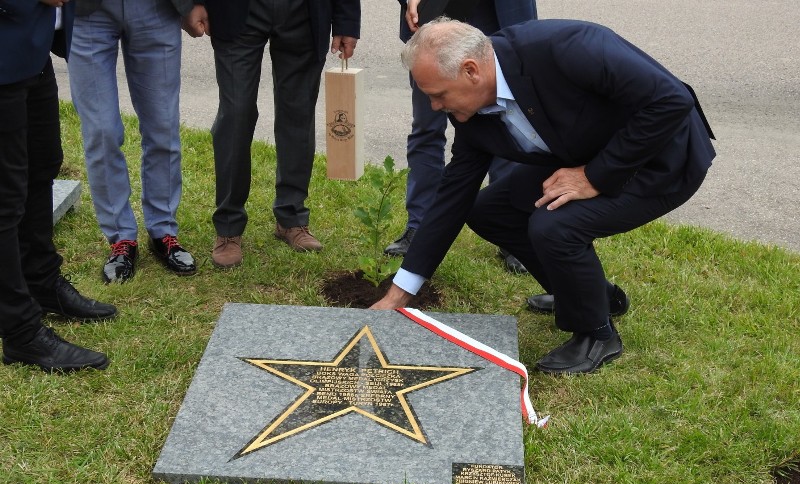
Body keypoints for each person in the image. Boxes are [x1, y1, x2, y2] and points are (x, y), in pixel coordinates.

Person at [371, 18, 716, 375]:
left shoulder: (568, 47)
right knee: (490, 210)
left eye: (438, 94)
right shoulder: (470, 112)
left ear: (471, 70)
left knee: (554, 225)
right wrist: (401, 292)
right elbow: (452, 197)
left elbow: (671, 100)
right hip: (587, 155)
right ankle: (594, 296)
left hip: (661, 160)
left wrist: (595, 176)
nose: (433, 106)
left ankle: (596, 334)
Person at [182, 0, 361, 269]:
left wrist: (346, 20)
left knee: (298, 113)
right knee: (235, 114)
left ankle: (292, 217)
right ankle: (228, 225)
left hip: (305, 11)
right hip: (237, 11)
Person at [1, 0, 117, 372]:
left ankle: (41, 282)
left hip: (31, 51)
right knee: (5, 198)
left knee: (42, 166)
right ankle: (20, 332)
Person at [384, 0, 537, 276]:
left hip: (494, 21)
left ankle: (510, 231)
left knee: (506, 132)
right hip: (431, 28)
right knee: (426, 127)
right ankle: (419, 226)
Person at [66, 0, 198, 284]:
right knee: (101, 132)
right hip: (88, 12)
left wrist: (192, 3)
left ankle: (163, 230)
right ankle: (121, 239)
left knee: (163, 126)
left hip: (156, 8)